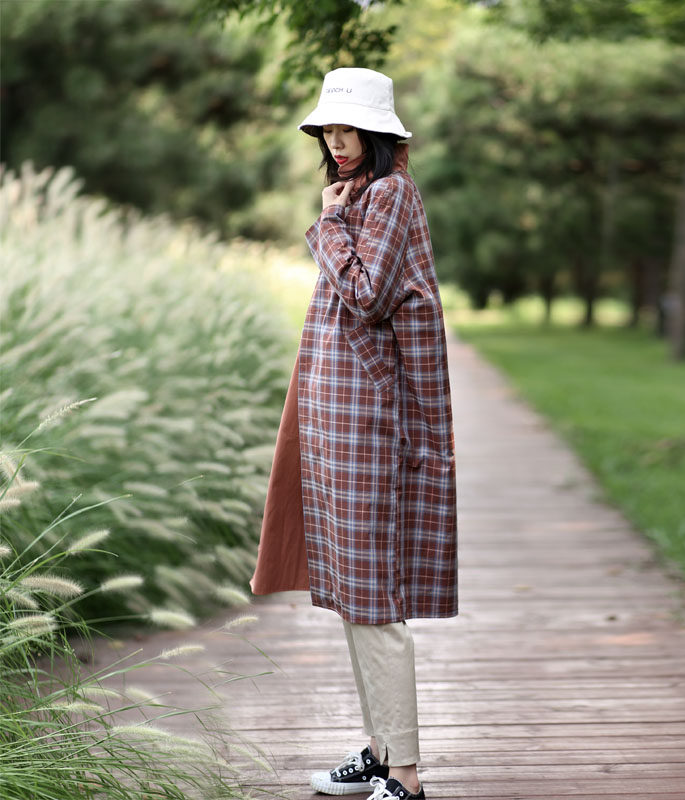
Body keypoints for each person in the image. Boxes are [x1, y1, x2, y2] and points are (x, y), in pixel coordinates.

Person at [250, 67, 457, 800]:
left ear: (378, 134)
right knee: (351, 590)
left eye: (349, 130)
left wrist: (329, 221)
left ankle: (405, 776)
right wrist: (338, 214)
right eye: (328, 130)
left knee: (372, 598)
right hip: (339, 414)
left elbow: (367, 296)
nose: (337, 142)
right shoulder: (362, 193)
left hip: (368, 416)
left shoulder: (390, 193)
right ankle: (379, 749)